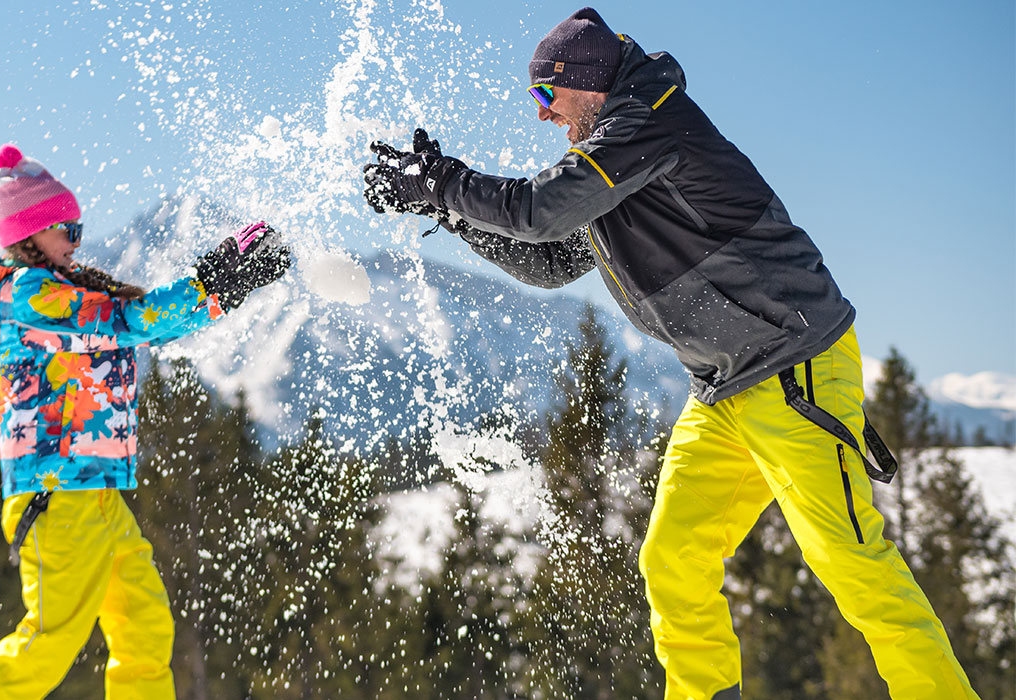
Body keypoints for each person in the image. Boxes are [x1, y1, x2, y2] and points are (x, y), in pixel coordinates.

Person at [362, 8, 977, 700]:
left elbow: (540, 209)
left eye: (545, 96)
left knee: (854, 566)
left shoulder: (649, 122)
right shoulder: (613, 155)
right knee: (673, 558)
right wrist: (445, 208)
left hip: (794, 368)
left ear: (586, 83)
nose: (541, 116)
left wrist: (441, 180)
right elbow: (546, 259)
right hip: (723, 389)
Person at [0, 144, 290, 699]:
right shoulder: (35, 295)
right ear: (30, 234)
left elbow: (139, 323)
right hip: (56, 496)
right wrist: (216, 279)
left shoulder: (62, 287)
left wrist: (223, 287)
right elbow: (129, 322)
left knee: (144, 624)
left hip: (94, 493)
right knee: (49, 640)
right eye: (68, 228)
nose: (77, 238)